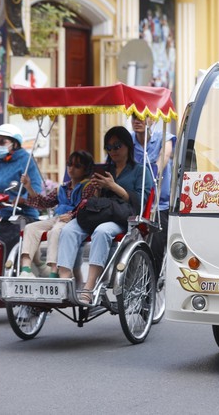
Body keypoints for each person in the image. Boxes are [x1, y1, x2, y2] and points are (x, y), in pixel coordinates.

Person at [56, 126, 154, 304]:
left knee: (101, 232)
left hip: (121, 216)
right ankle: (64, 281)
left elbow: (141, 201)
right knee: (69, 230)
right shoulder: (103, 169)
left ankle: (90, 286)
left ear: (128, 146)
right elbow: (94, 199)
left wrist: (113, 186)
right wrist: (96, 188)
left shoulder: (140, 170)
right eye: (109, 148)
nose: (113, 151)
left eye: (117, 146)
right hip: (98, 212)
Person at [18, 150, 97, 278]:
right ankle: (26, 269)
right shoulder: (62, 188)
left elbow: (86, 205)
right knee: (30, 228)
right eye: (69, 165)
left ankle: (53, 271)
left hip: (74, 220)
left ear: (86, 169)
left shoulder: (88, 186)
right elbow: (44, 203)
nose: (71, 169)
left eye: (77, 166)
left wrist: (71, 215)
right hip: (58, 218)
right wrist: (29, 187)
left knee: (54, 232)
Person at [0, 123, 42, 255]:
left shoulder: (27, 161)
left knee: (2, 242)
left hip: (20, 217)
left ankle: (5, 272)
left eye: (2, 142)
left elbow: (36, 189)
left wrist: (23, 199)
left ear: (15, 143)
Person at [130, 115, 176, 275]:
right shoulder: (128, 141)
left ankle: (153, 283)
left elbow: (165, 155)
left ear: (153, 119)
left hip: (158, 204)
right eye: (134, 116)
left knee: (156, 248)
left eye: (143, 117)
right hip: (134, 202)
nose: (137, 120)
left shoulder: (163, 138)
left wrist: (156, 170)